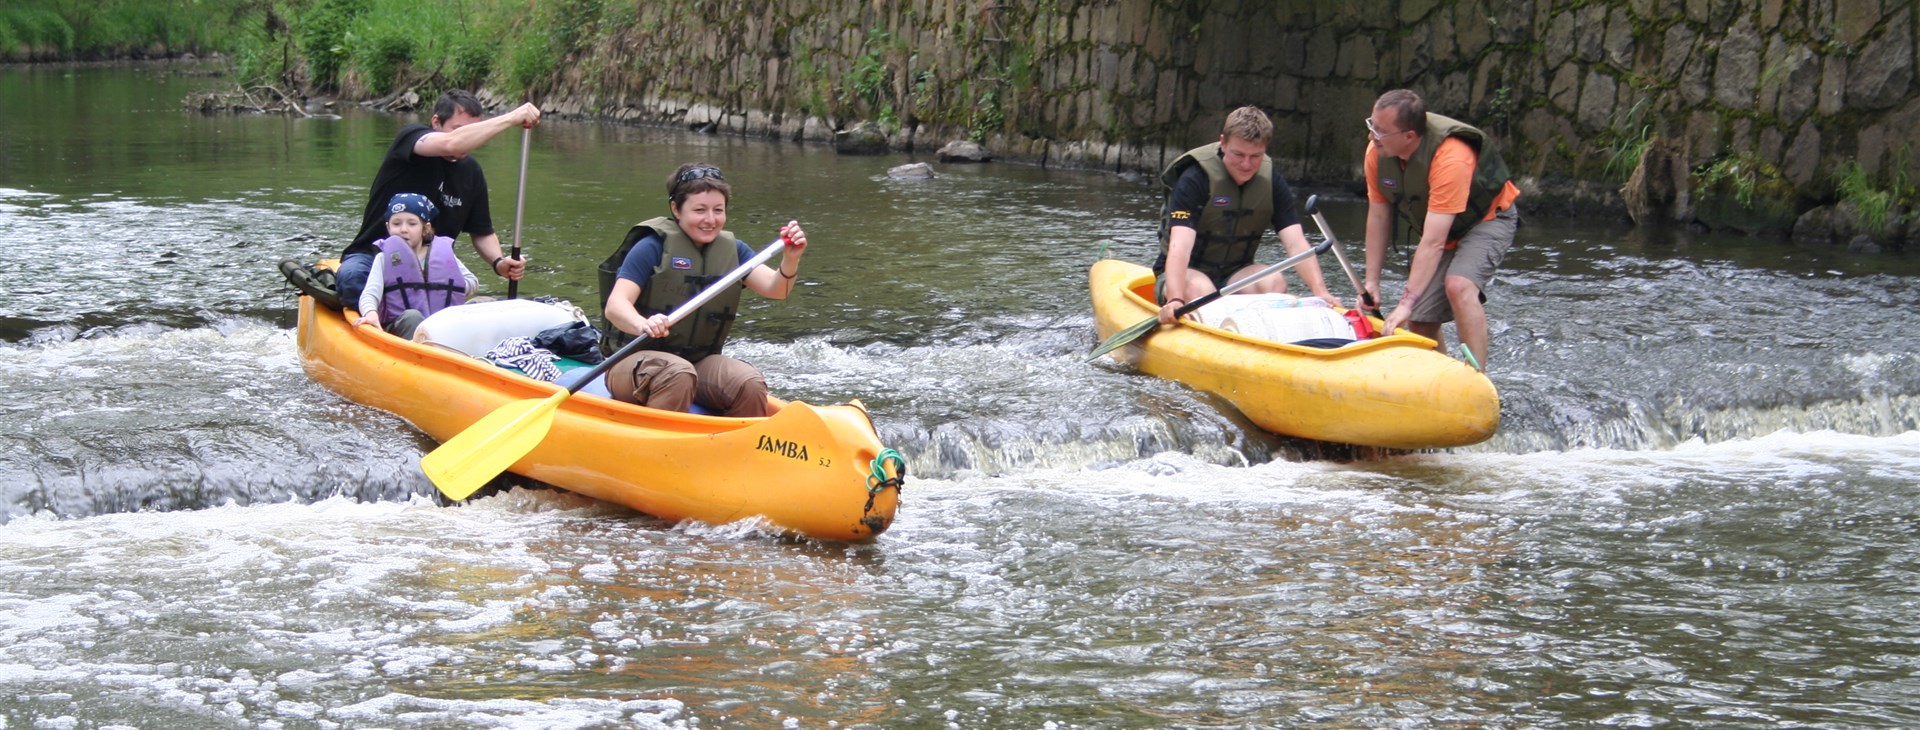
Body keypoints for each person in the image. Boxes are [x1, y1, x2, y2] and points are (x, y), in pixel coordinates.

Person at [596, 163, 809, 418]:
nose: (710, 220)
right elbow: (616, 305)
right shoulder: (651, 247)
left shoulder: (734, 251)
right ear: (676, 209)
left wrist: (791, 259)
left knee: (749, 383)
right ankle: (662, 439)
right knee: (677, 373)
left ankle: (738, 441)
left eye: (718, 210)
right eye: (699, 210)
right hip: (633, 363)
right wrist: (643, 324)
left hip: (697, 362)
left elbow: (777, 289)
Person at [1360, 89, 1522, 371]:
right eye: (1372, 125)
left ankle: (1476, 376)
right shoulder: (1377, 152)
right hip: (1443, 227)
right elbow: (1378, 216)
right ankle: (1442, 379)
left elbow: (1433, 242)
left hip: (1487, 219)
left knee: (1458, 285)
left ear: (1409, 136)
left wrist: (1405, 302)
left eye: (1381, 131)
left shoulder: (1451, 158)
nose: (1372, 136)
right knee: (1420, 319)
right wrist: (1371, 282)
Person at [334, 90, 540, 306]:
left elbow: (482, 231)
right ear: (436, 122)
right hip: (374, 256)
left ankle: (422, 311)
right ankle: (384, 309)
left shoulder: (472, 172)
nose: (469, 138)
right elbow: (452, 143)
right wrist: (511, 118)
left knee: (469, 293)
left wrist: (499, 263)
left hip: (431, 266)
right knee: (352, 278)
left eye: (474, 129)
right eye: (459, 129)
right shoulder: (411, 139)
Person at [1154, 105, 1339, 325]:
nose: (1246, 164)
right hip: (1188, 272)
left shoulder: (1271, 181)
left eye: (1255, 156)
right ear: (1223, 143)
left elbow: (1296, 243)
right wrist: (1175, 298)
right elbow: (1180, 246)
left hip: (1235, 273)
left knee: (1275, 283)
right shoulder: (1194, 178)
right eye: (1238, 154)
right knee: (1200, 292)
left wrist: (1320, 291)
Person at [354, 193, 476, 339]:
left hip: (442, 325)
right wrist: (370, 313)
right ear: (388, 227)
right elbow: (369, 294)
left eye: (412, 224)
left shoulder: (443, 254)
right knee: (413, 316)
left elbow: (472, 281)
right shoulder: (384, 258)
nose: (403, 229)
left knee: (480, 303)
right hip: (402, 326)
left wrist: (446, 284)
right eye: (396, 224)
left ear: (425, 229)